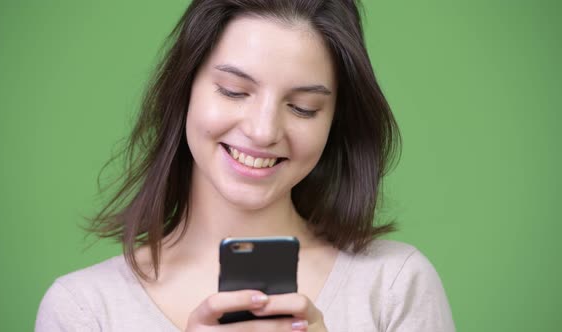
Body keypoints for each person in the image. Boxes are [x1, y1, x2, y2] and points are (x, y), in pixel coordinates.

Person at [36, 0, 455, 331]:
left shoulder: (395, 286)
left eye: (303, 108)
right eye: (235, 91)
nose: (262, 131)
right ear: (184, 91)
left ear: (334, 122)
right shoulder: (84, 309)